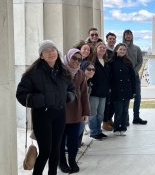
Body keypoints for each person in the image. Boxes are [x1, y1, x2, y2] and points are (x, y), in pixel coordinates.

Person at [16, 40, 76, 175]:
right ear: (41, 56)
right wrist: (42, 99)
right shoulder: (33, 74)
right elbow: (21, 94)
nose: (50, 53)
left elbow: (72, 89)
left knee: (56, 150)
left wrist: (68, 97)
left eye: (53, 49)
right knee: (45, 151)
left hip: (60, 114)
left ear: (57, 52)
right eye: (46, 51)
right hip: (42, 116)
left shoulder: (64, 71)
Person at [59, 48, 90, 173]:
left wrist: (85, 112)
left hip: (76, 111)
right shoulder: (59, 72)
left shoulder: (80, 74)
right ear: (68, 57)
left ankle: (72, 160)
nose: (77, 62)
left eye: (79, 59)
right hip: (61, 111)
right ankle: (61, 162)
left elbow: (84, 94)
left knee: (73, 141)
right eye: (74, 58)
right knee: (60, 141)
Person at [108, 43, 136, 135]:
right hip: (116, 90)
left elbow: (132, 77)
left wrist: (134, 90)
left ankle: (123, 128)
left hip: (127, 90)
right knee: (118, 111)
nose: (122, 51)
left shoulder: (128, 62)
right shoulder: (111, 62)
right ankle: (116, 128)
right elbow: (110, 77)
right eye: (120, 49)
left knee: (125, 111)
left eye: (124, 50)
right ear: (116, 50)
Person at [123, 29, 147, 125]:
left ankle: (136, 117)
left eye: (130, 34)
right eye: (126, 34)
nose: (128, 36)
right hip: (124, 77)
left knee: (138, 97)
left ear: (132, 36)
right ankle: (126, 119)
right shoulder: (120, 47)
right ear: (124, 36)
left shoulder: (137, 48)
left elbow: (140, 61)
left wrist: (134, 71)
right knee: (126, 97)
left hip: (135, 76)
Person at [87, 42, 110, 140]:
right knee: (93, 113)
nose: (102, 49)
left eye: (104, 48)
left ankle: (98, 131)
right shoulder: (92, 61)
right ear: (96, 49)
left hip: (104, 91)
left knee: (101, 113)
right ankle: (93, 132)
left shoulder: (106, 62)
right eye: (100, 47)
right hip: (94, 91)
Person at [102, 32, 117, 131]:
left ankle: (109, 118)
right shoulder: (104, 51)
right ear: (106, 40)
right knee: (107, 102)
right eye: (110, 39)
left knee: (113, 102)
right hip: (107, 79)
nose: (112, 40)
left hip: (115, 79)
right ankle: (105, 122)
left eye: (113, 39)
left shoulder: (116, 51)